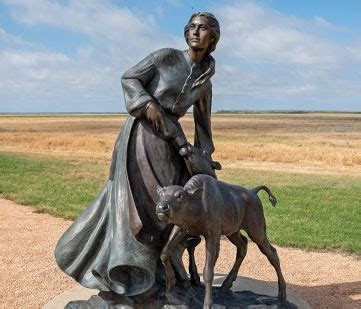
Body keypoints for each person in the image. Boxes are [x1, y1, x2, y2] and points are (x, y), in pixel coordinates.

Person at [55, 12, 220, 298]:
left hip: (172, 142)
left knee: (177, 201)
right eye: (191, 27)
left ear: (213, 38)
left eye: (202, 28)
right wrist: (147, 104)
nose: (195, 32)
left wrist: (201, 157)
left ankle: (166, 271)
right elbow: (130, 78)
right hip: (142, 133)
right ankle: (134, 274)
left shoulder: (204, 82)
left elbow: (203, 128)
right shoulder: (165, 57)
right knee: (145, 203)